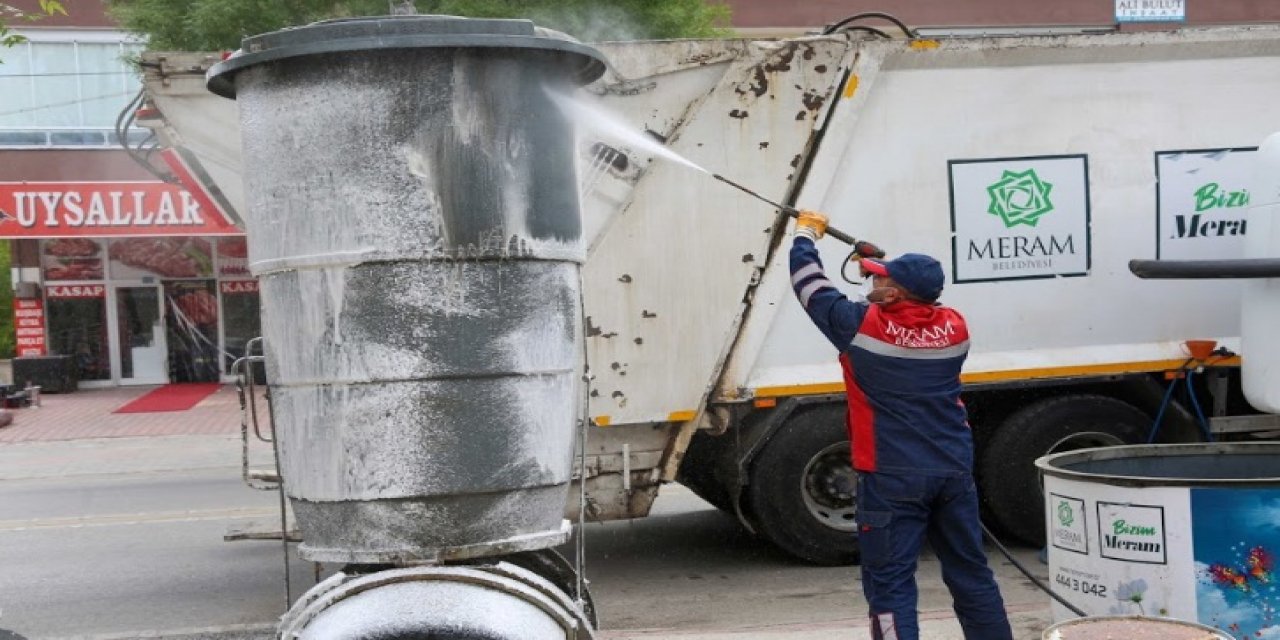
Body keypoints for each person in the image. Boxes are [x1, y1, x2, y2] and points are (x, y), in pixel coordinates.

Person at [789, 210, 1013, 640]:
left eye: (879, 281)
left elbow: (810, 286)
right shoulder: (954, 327)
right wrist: (877, 266)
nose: (871, 283)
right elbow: (914, 304)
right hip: (951, 471)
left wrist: (805, 235)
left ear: (893, 295)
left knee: (890, 586)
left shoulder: (859, 327)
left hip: (891, 476)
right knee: (971, 575)